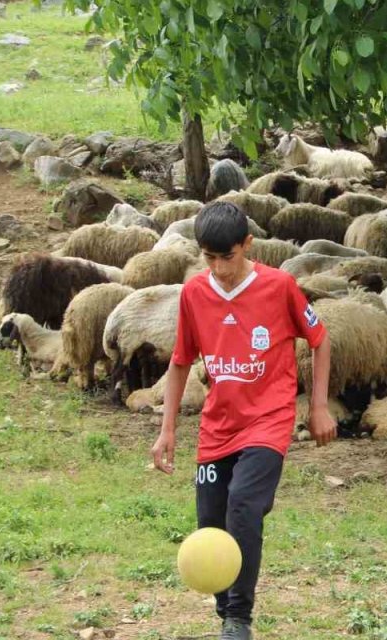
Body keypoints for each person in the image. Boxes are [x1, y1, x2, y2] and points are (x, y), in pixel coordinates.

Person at [151, 201, 336, 640]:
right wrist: (167, 429)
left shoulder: (280, 286)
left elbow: (320, 339)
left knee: (243, 505)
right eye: (208, 258)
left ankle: (238, 618)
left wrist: (318, 406)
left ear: (247, 245)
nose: (218, 268)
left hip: (268, 420)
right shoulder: (194, 293)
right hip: (218, 427)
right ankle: (225, 608)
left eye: (227, 257)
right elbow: (180, 362)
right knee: (211, 525)